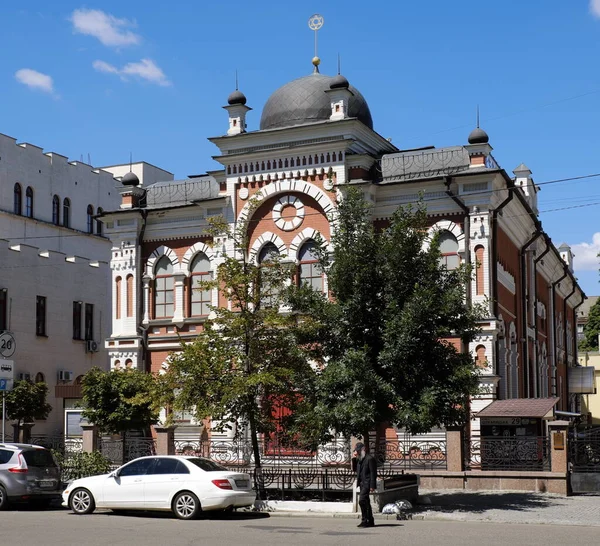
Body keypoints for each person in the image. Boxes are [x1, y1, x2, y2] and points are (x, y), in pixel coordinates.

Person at [354, 441, 376, 528]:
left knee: (362, 500)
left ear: (363, 449)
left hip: (367, 483)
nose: (357, 452)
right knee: (366, 501)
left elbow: (373, 473)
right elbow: (355, 470)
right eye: (356, 451)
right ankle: (370, 520)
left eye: (358, 450)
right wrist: (353, 459)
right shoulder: (360, 459)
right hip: (362, 483)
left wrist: (372, 486)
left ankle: (364, 520)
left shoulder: (370, 459)